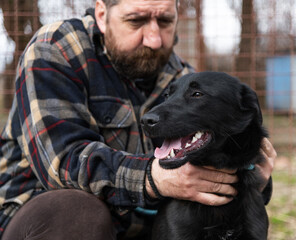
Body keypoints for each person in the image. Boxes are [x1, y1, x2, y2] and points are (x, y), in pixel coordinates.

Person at [0, 0, 277, 239]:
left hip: (137, 227)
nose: (154, 38)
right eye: (137, 20)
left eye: (166, 21)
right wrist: (154, 178)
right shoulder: (56, 48)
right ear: (101, 14)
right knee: (78, 211)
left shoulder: (179, 75)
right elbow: (62, 164)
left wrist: (250, 176)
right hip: (40, 220)